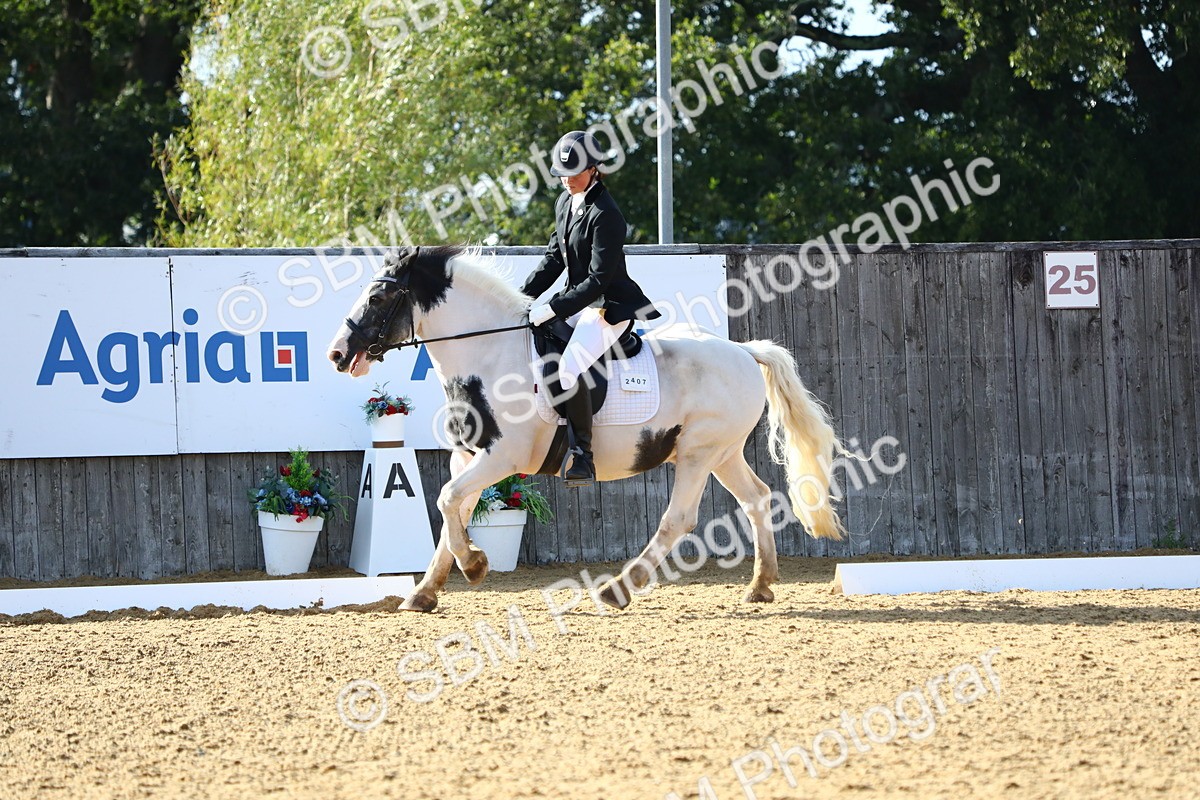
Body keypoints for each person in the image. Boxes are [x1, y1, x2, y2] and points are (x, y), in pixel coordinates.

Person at [522, 130, 662, 487]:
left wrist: (552, 307)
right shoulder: (565, 203)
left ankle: (583, 455)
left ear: (595, 169)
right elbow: (555, 259)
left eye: (575, 173)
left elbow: (598, 281)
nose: (567, 179)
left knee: (568, 370)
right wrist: (521, 299)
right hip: (578, 302)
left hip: (606, 309)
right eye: (562, 174)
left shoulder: (607, 214)